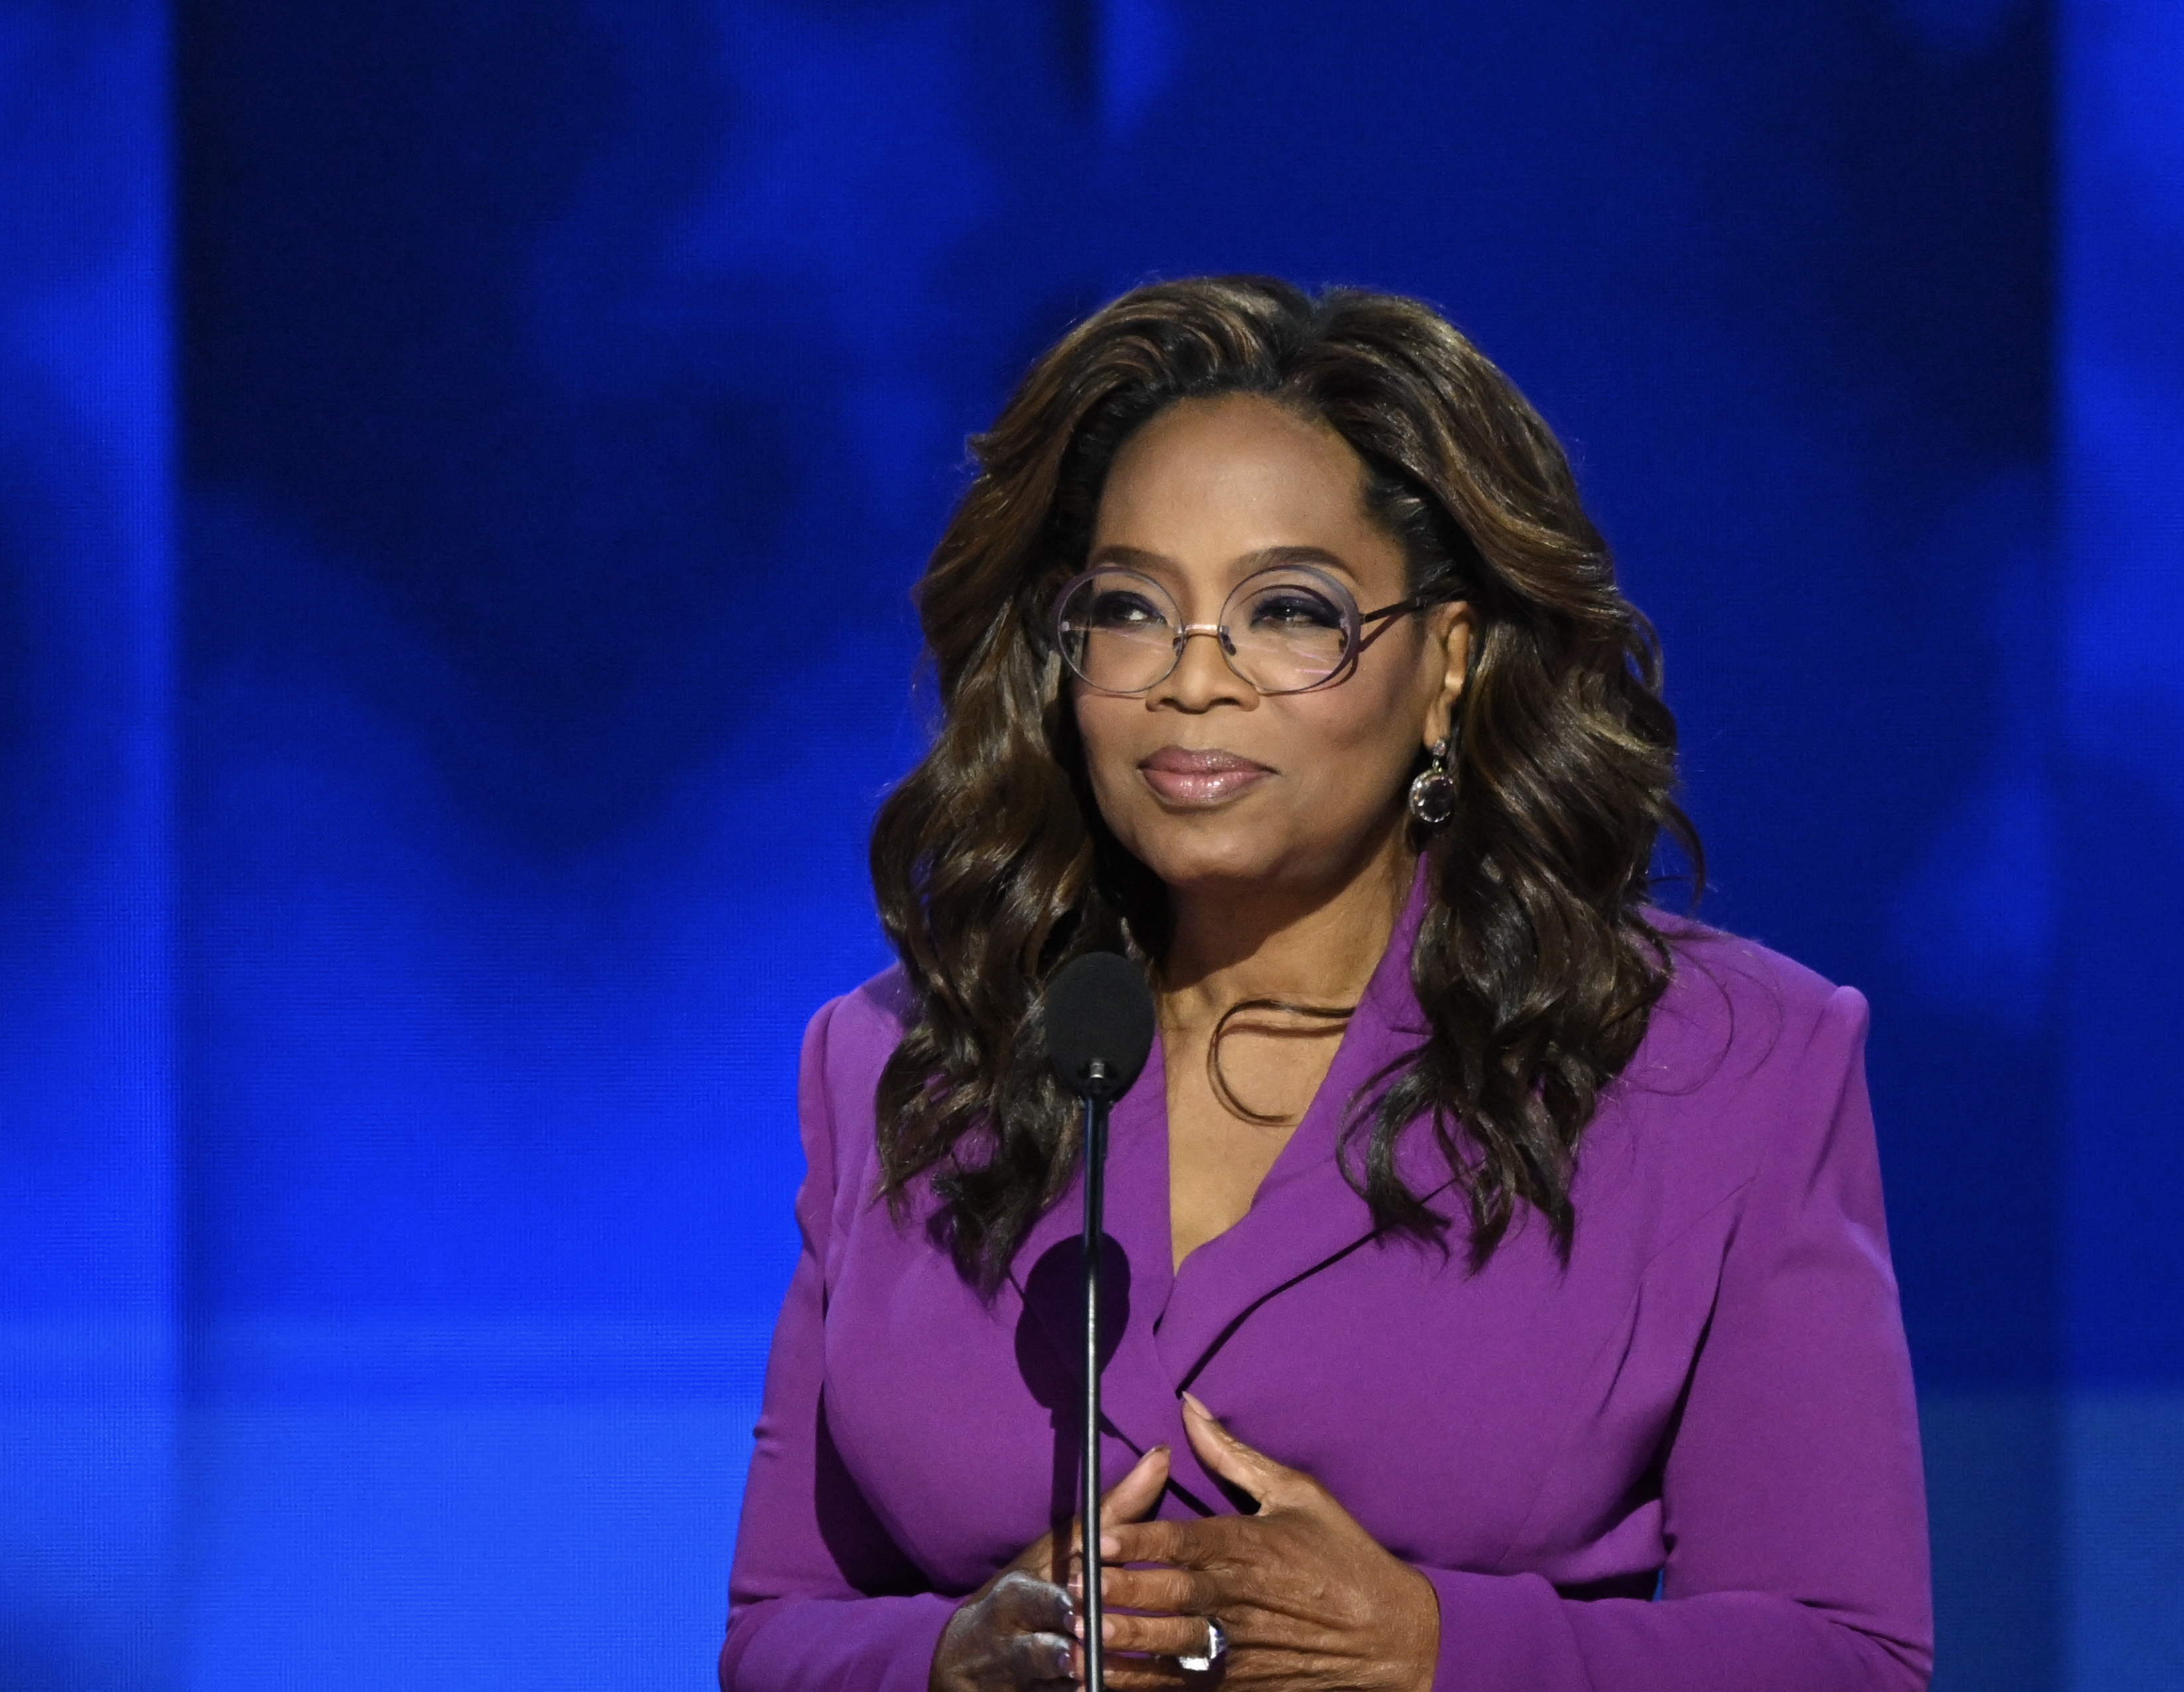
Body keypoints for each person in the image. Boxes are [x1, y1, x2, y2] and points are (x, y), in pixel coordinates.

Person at [720, 277, 1933, 1692]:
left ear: (1449, 665)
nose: (1192, 681)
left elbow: (1846, 1662)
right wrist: (945, 1662)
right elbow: (773, 1638)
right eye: (1129, 610)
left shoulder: (1720, 1064)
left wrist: (1433, 1650)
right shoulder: (900, 1064)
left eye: (1288, 611)